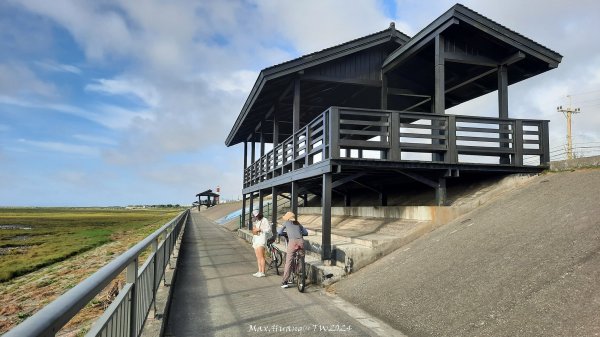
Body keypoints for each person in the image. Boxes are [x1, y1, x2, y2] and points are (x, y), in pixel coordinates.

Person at [277, 211, 308, 288]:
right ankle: (301, 274)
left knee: (289, 261)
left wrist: (284, 233)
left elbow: (280, 231)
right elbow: (305, 232)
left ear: (287, 218)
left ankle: (285, 281)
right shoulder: (298, 223)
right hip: (300, 241)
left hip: (292, 242)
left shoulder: (286, 223)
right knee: (302, 258)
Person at [251, 209, 271, 277]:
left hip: (261, 239)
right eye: (254, 216)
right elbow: (254, 231)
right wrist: (254, 229)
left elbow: (268, 229)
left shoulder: (264, 220)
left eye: (256, 216)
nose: (255, 217)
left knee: (261, 256)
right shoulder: (256, 221)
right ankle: (259, 271)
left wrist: (260, 229)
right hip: (256, 239)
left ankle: (262, 272)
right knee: (258, 257)